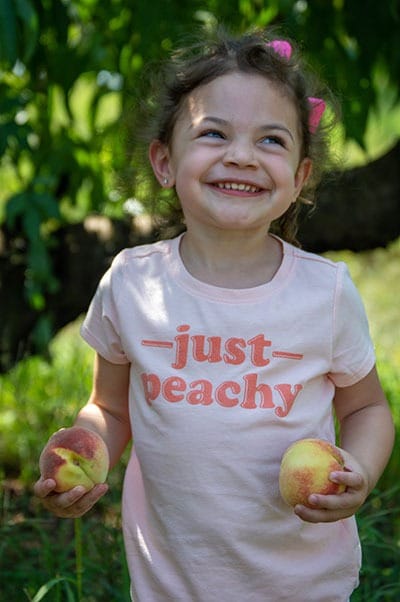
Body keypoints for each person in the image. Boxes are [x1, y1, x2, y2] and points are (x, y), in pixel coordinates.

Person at [34, 28, 394, 602]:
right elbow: (109, 405)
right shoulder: (133, 282)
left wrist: (360, 472)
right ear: (164, 162)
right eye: (213, 133)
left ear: (300, 179)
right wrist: (83, 448)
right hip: (171, 582)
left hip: (301, 582)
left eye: (272, 140)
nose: (241, 155)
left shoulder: (323, 293)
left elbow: (368, 406)